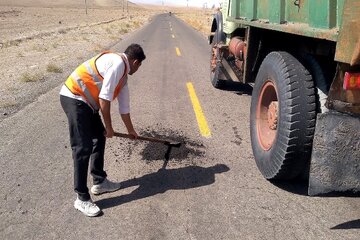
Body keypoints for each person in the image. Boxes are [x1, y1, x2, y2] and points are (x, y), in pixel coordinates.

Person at [60, 43, 146, 217]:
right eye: (140, 66)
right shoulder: (118, 64)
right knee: (82, 148)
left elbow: (124, 108)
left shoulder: (123, 78)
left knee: (99, 138)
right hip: (74, 97)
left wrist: (131, 131)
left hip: (87, 104)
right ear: (136, 62)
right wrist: (109, 127)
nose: (138, 69)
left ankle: (99, 181)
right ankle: (82, 198)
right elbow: (104, 100)